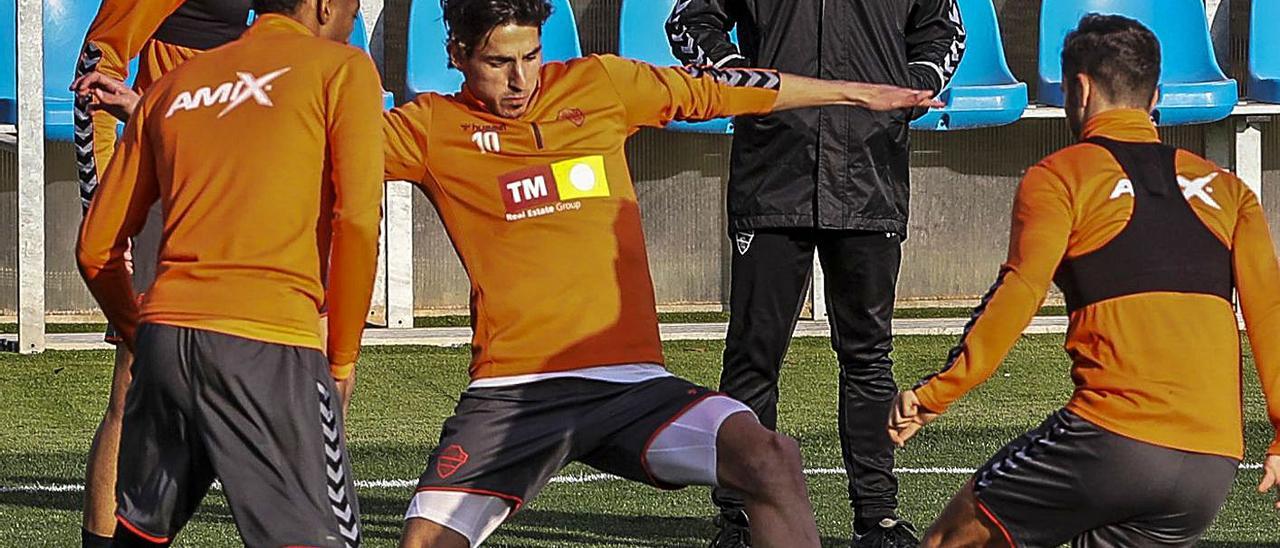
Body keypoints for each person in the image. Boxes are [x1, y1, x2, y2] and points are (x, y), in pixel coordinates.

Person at [79, 1, 938, 544]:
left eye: (529, 55)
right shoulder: (427, 128)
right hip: (511, 395)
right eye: (499, 60)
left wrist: (855, 93)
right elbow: (290, 136)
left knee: (771, 458)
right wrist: (158, 113)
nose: (522, 77)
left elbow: (730, 87)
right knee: (423, 542)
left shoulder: (604, 84)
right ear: (458, 53)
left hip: (632, 383)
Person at [888, 14, 1280, 547]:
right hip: (1210, 465)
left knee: (948, 540)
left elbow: (1017, 297)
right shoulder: (1229, 191)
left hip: (1111, 440)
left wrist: (933, 396)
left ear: (1080, 87)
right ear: (1156, 95)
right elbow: (1270, 315)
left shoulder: (1061, 176)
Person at [75, 0, 383, 544]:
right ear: (324, 6)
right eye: (353, 12)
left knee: (142, 529)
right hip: (255, 322)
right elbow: (357, 221)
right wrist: (343, 357)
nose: (352, 25)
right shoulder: (345, 68)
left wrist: (141, 335)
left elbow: (94, 249)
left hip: (172, 328)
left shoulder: (175, 88)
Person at [665, 1, 965, 544]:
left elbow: (944, 30)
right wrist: (741, 78)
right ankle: (739, 517)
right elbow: (688, 20)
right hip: (772, 174)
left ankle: (878, 518)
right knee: (753, 353)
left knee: (867, 354)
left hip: (870, 174)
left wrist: (911, 86)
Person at [70, 2, 251, 544]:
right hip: (171, 186)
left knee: (299, 378)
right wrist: (108, 202)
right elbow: (98, 65)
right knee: (135, 386)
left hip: (257, 180)